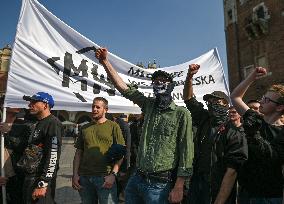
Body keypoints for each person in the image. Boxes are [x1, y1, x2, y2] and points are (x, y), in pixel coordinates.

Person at [95, 47, 194, 204]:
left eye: (162, 81)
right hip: (137, 179)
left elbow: (186, 151)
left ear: (171, 86)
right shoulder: (148, 106)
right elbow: (124, 88)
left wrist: (179, 186)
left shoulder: (181, 114)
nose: (158, 84)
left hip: (159, 185)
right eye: (155, 82)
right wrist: (105, 62)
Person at [183, 64, 248, 204]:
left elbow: (232, 171)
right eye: (209, 102)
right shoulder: (204, 118)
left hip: (216, 186)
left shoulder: (234, 131)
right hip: (196, 181)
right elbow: (188, 99)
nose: (211, 104)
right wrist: (189, 77)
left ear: (225, 104)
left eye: (216, 101)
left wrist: (219, 201)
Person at [230, 67, 284, 204]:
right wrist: (251, 77)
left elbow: (271, 157)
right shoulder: (255, 119)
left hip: (271, 196)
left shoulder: (282, 132)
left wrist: (254, 135)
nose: (262, 101)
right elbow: (235, 97)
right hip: (247, 192)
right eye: (263, 98)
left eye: (267, 100)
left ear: (279, 107)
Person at [72, 97, 125, 204]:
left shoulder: (113, 126)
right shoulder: (85, 128)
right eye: (93, 107)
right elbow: (78, 153)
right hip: (84, 178)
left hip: (105, 177)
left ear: (106, 109)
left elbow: (121, 153)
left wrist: (113, 175)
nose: (94, 109)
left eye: (98, 107)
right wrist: (75, 175)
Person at [22, 92, 62, 204]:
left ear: (45, 105)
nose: (30, 104)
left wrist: (43, 182)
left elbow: (53, 154)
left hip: (40, 179)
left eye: (34, 102)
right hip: (30, 176)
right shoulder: (37, 122)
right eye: (30, 102)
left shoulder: (53, 123)